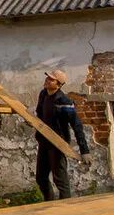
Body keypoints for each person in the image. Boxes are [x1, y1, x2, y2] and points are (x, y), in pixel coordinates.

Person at [34, 69, 92, 200]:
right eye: (47, 78)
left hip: (58, 143)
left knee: (59, 178)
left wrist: (84, 150)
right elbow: (40, 114)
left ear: (59, 84)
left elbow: (76, 126)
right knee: (41, 178)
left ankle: (65, 207)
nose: (47, 80)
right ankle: (49, 204)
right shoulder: (43, 94)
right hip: (44, 141)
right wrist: (33, 122)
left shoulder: (64, 101)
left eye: (51, 79)